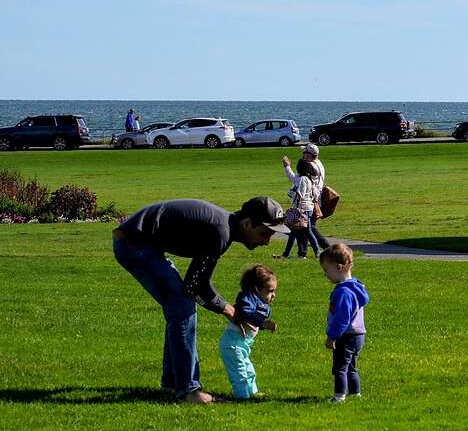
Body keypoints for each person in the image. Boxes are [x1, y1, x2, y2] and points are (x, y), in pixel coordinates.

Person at [113, 197, 286, 404]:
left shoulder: (224, 229)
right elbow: (195, 286)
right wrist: (230, 311)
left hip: (138, 243)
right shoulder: (220, 231)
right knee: (182, 306)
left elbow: (197, 284)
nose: (266, 241)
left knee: (181, 306)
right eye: (264, 233)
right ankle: (188, 391)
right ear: (247, 223)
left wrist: (228, 309)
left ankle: (173, 385)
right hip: (133, 244)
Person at [218, 264, 278, 401]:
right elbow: (246, 313)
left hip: (243, 345)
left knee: (249, 370)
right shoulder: (247, 299)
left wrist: (262, 324)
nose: (273, 295)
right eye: (270, 291)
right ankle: (243, 397)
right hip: (232, 345)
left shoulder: (258, 301)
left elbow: (252, 321)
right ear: (257, 289)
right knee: (240, 374)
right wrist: (262, 323)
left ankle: (252, 392)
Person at [321, 243, 369, 403]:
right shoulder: (356, 286)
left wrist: (332, 336)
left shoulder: (343, 292)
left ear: (339, 267)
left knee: (340, 368)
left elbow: (342, 318)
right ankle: (355, 394)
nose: (325, 275)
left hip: (346, 335)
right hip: (359, 334)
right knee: (351, 367)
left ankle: (339, 396)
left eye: (326, 271)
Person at [278, 155, 322, 259]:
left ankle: (318, 252)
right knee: (293, 232)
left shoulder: (303, 179)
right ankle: (286, 254)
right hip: (307, 208)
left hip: (302, 209)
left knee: (307, 231)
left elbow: (300, 194)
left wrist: (291, 193)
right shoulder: (309, 179)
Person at [301, 143, 332, 251]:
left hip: (312, 199)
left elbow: (300, 180)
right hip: (316, 198)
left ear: (309, 155)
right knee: (305, 226)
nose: (303, 156)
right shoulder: (319, 164)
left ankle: (326, 247)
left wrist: (287, 168)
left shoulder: (312, 166)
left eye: (304, 153)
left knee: (308, 227)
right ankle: (302, 252)